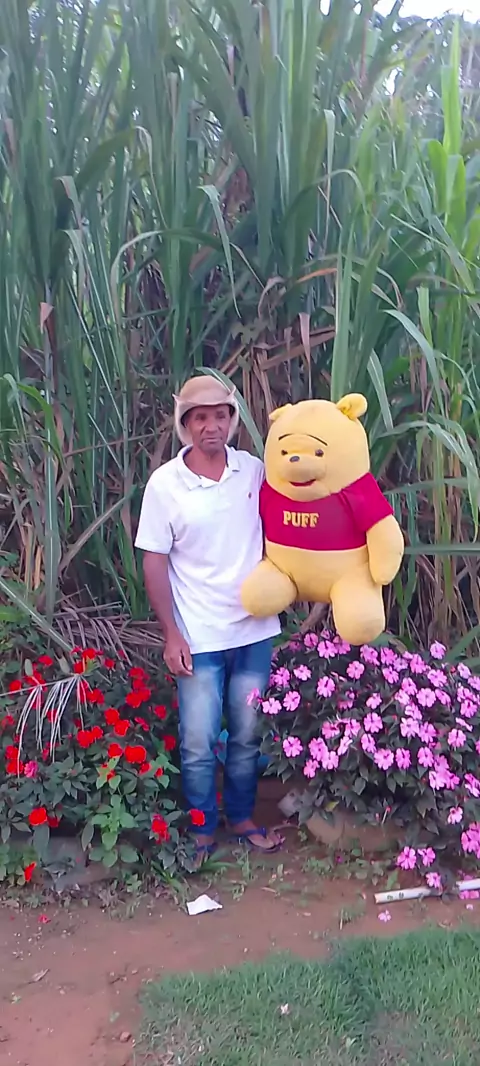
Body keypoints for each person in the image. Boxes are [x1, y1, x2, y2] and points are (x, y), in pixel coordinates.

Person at [135, 376, 283, 862]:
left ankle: (241, 818)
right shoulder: (166, 484)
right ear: (186, 424)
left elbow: (289, 520)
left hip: (254, 631)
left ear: (232, 419)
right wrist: (171, 634)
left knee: (247, 733)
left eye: (220, 415)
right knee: (198, 740)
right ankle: (201, 831)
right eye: (200, 417)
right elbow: (154, 560)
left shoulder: (253, 472)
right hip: (197, 636)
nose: (211, 425)